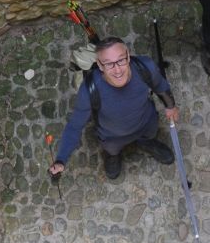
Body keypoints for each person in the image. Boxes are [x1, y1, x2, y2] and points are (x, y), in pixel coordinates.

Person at [49, 37, 180, 181]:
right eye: (109, 64)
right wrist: (61, 159)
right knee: (112, 149)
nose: (117, 70)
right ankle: (113, 156)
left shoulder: (145, 67)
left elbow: (160, 85)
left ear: (128, 56)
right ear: (100, 65)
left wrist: (170, 106)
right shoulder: (89, 89)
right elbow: (74, 126)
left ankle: (147, 143)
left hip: (146, 122)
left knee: (149, 135)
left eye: (121, 60)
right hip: (112, 136)